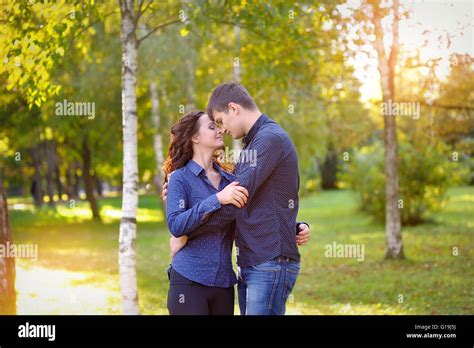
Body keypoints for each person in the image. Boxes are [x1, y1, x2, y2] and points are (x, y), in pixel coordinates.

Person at [165, 82, 310, 315]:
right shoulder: (254, 143)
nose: (222, 129)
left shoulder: (267, 140)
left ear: (234, 108)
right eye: (214, 126)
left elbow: (235, 206)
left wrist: (187, 233)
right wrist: (291, 227)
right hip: (252, 264)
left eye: (220, 122)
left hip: (266, 262)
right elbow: (256, 204)